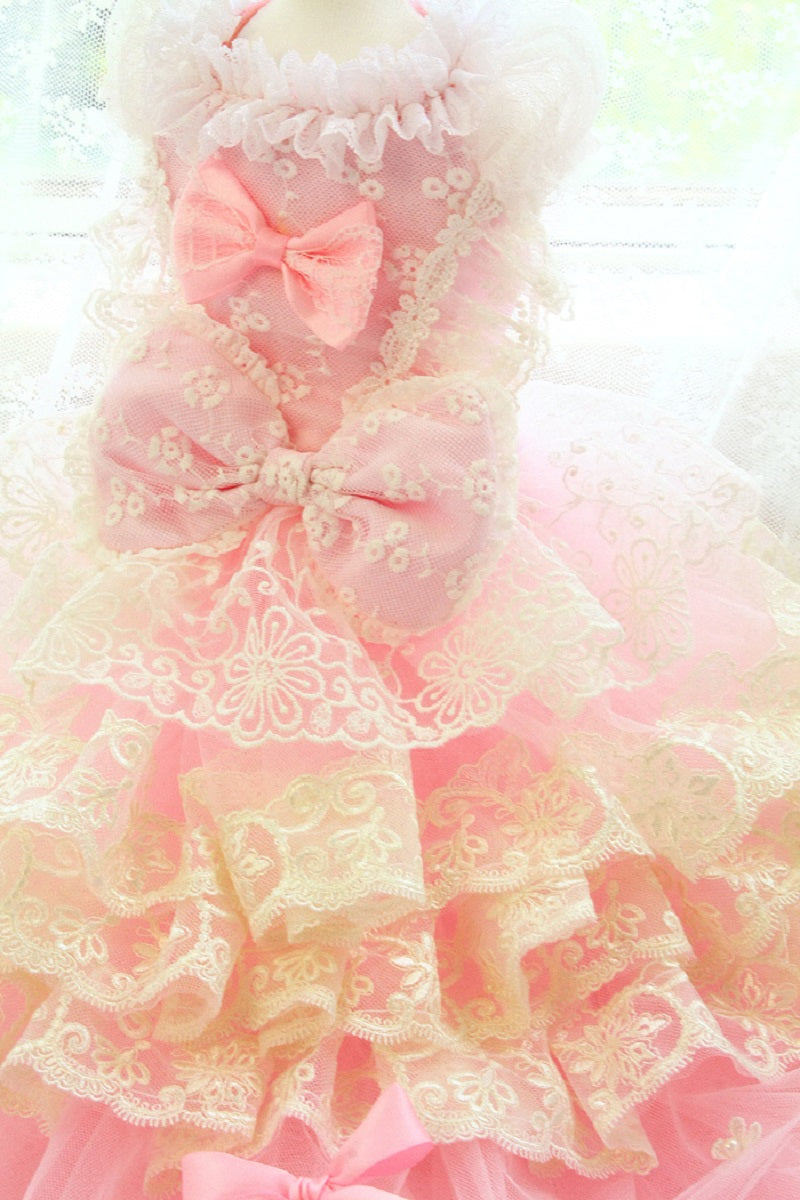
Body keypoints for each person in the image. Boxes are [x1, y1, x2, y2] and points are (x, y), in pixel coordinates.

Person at [1, 1, 799, 1197]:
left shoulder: (507, 71)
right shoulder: (175, 46)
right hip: (190, 537)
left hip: (429, 562)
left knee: (494, 947)